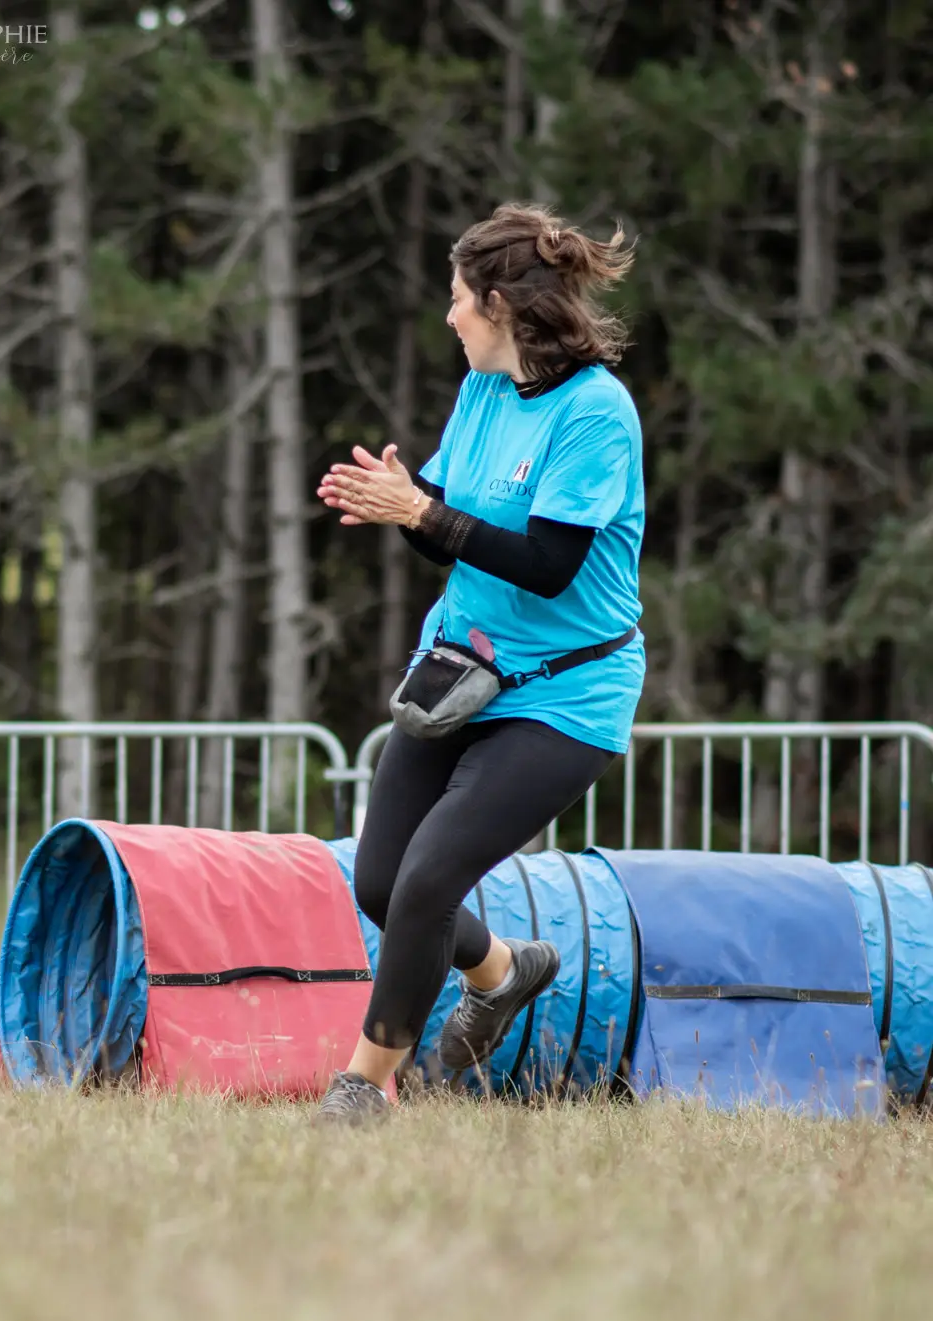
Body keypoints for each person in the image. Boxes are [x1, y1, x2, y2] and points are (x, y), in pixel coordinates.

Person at [311, 201, 646, 1126]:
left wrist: (420, 512)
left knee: (428, 880)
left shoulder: (596, 415)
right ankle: (501, 976)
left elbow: (546, 564)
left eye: (457, 297)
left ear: (498, 304)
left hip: (569, 689)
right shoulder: (482, 393)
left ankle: (361, 1088)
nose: (448, 314)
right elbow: (456, 539)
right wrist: (398, 499)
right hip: (460, 668)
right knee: (380, 882)